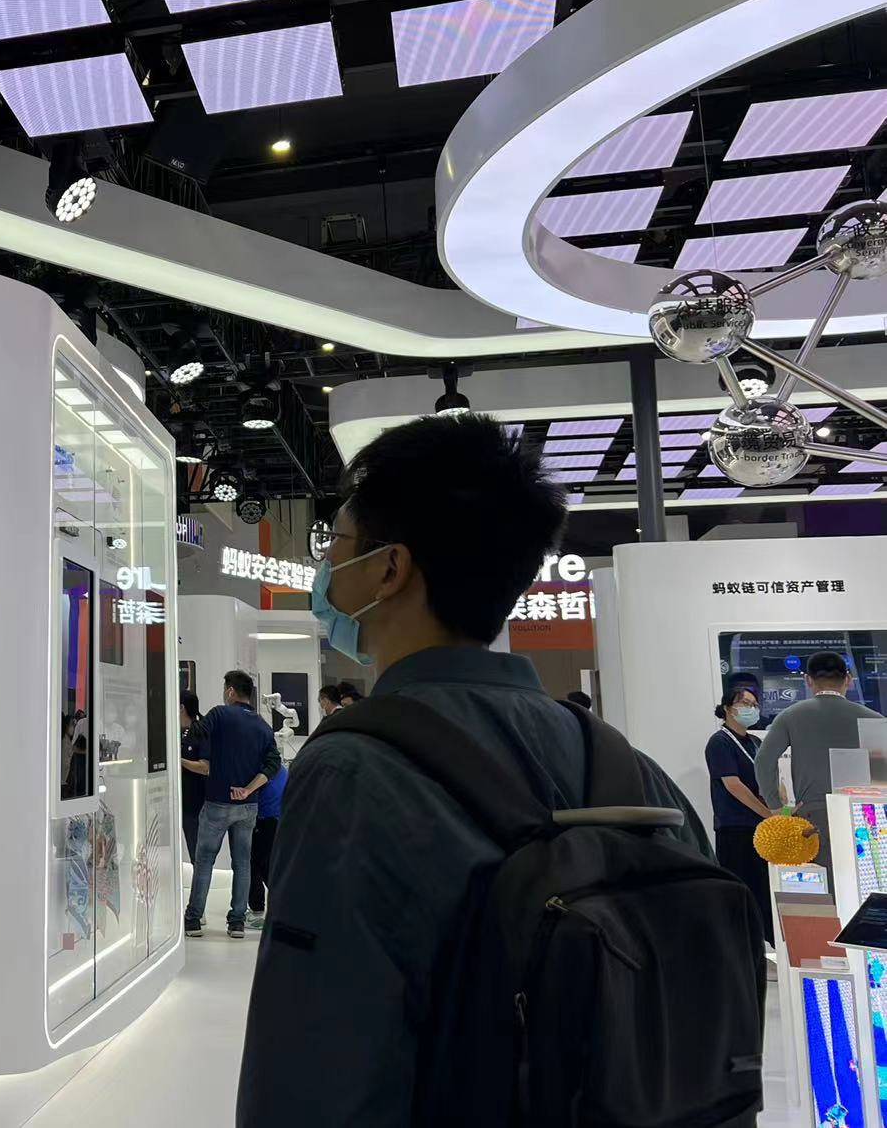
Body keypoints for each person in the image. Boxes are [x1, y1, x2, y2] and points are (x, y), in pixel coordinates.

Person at [238, 414, 708, 1124]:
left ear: (390, 569)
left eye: (336, 543)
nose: (326, 566)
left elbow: (316, 1063)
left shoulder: (352, 770)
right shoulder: (633, 773)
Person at [754, 650, 876, 869]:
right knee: (866, 877)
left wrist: (775, 807)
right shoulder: (873, 718)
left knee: (821, 880)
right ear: (848, 679)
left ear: (808, 680)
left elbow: (763, 760)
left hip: (814, 814)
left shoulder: (791, 716)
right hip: (865, 814)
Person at [183, 670, 280, 940]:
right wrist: (249, 788)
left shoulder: (219, 715)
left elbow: (195, 733)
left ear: (230, 691)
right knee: (243, 863)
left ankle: (193, 919)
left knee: (204, 861)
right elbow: (273, 764)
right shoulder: (263, 726)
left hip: (217, 802)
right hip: (248, 806)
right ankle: (237, 921)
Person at [707, 686, 772, 937]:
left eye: (754, 704)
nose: (751, 709)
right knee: (741, 889)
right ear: (728, 708)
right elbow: (733, 786)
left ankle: (767, 940)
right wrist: (767, 813)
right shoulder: (720, 742)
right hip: (735, 827)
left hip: (761, 828)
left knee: (763, 890)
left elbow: (767, 778)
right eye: (745, 703)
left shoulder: (755, 742)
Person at [246, 758, 287, 932]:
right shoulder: (281, 769)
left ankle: (257, 911)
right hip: (278, 821)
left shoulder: (261, 771)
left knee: (255, 866)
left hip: (263, 821)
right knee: (268, 865)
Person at [178, 691, 205, 864]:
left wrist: (179, 761)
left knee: (197, 852)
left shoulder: (199, 731)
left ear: (181, 707)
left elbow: (204, 767)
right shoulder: (178, 732)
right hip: (182, 802)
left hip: (195, 804)